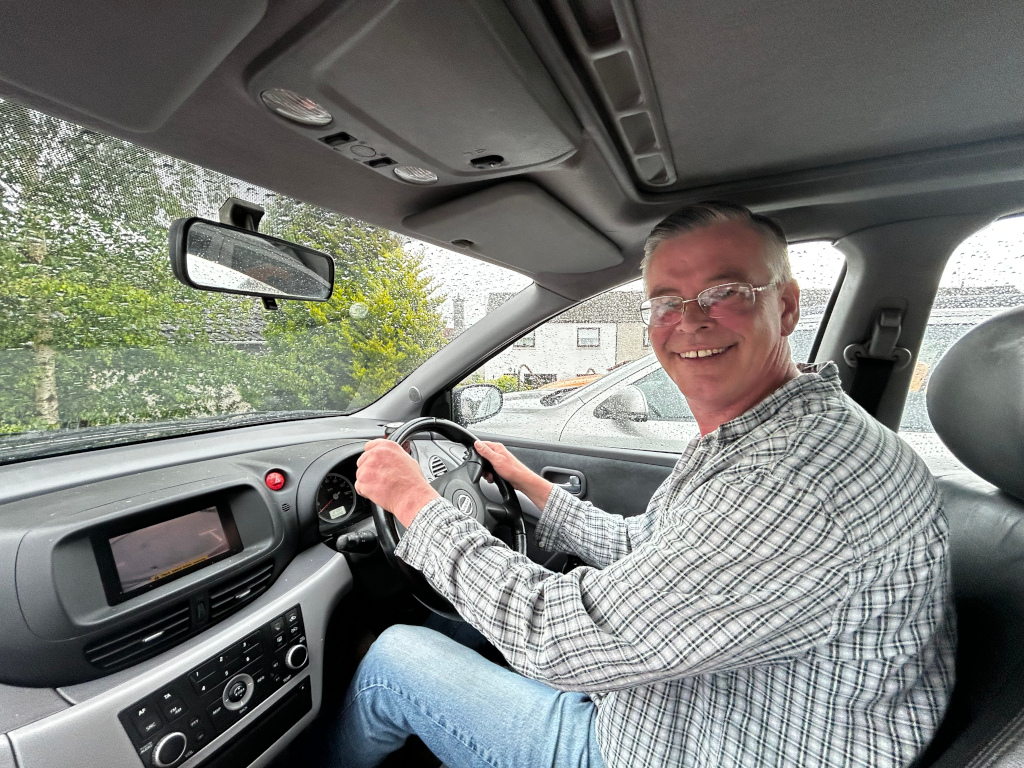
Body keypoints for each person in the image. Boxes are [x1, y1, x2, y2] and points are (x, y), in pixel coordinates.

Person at [330, 201, 955, 768]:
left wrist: (415, 503)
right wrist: (529, 487)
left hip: (661, 746)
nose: (689, 321)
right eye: (665, 301)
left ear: (786, 305)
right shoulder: (771, 434)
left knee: (395, 659)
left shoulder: (789, 479)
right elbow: (653, 549)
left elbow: (556, 639)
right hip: (692, 707)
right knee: (453, 631)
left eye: (724, 291)